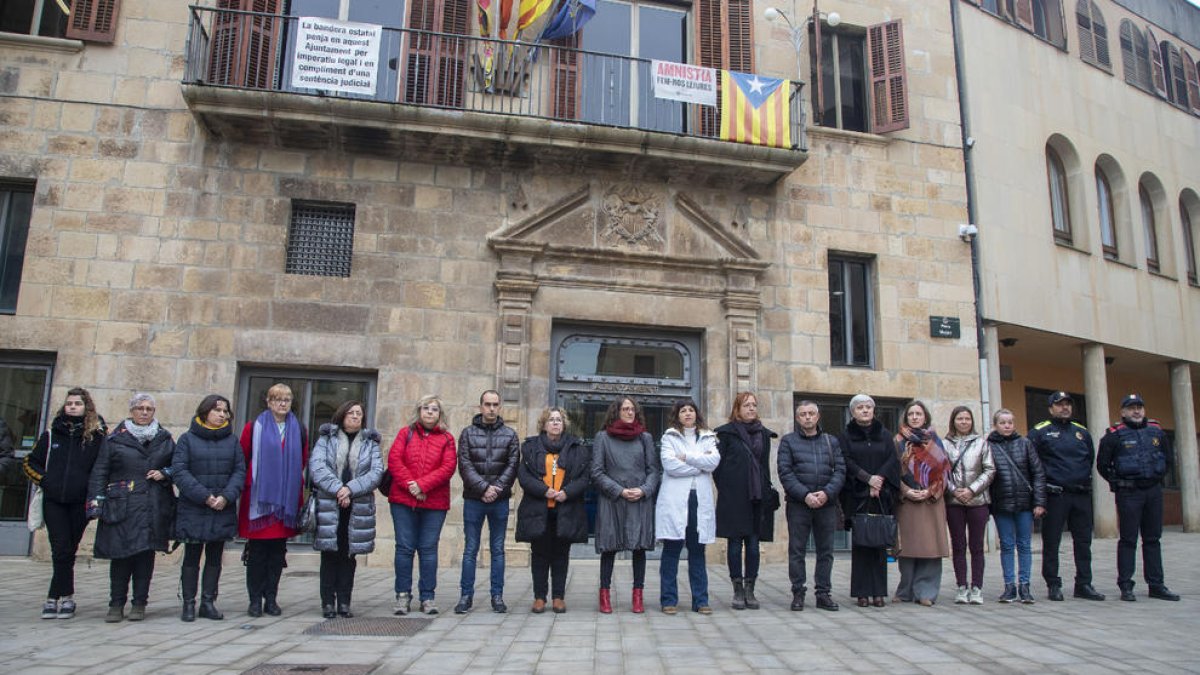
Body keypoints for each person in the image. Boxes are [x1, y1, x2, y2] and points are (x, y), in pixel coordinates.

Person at [88, 393, 176, 623]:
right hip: (122, 505)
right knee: (121, 556)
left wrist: (165, 474)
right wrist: (96, 504)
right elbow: (100, 471)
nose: (144, 412)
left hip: (152, 505)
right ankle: (116, 603)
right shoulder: (115, 439)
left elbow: (178, 466)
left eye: (149, 409)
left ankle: (139, 603)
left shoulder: (164, 438)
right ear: (132, 411)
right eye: (140, 408)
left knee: (145, 558)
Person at [24, 388, 106, 620]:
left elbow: (101, 468)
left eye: (77, 403)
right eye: (69, 403)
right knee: (60, 547)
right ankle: (60, 597)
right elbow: (31, 462)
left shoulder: (96, 438)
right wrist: (46, 480)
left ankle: (59, 597)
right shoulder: (51, 435)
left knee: (69, 549)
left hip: (80, 502)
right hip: (54, 501)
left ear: (86, 408)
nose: (72, 407)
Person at [1097, 394, 1180, 602]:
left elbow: (1168, 460)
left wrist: (1156, 477)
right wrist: (1118, 484)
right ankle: (1126, 585)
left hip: (1152, 491)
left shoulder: (1156, 432)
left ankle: (1156, 584)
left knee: (1153, 539)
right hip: (1129, 493)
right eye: (1132, 408)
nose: (1136, 411)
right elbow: (1102, 465)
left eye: (1140, 408)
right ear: (1123, 412)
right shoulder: (1114, 435)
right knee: (1128, 540)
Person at [172, 394, 246, 622]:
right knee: (192, 557)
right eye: (217, 410)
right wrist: (205, 496)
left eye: (225, 411)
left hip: (221, 507)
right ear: (205, 412)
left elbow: (239, 471)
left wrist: (226, 496)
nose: (222, 414)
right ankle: (188, 603)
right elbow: (180, 471)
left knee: (215, 557)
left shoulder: (232, 441)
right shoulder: (187, 439)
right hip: (195, 507)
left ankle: (208, 601)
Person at [239, 383, 309, 617]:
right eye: (277, 399)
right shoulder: (254, 427)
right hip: (261, 501)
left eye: (287, 399)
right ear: (268, 402)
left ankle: (271, 598)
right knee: (257, 552)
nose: (282, 403)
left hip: (285, 501)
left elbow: (303, 460)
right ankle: (254, 599)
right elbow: (244, 457)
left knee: (278, 553)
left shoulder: (298, 428)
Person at [309, 400, 384, 618]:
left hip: (356, 505)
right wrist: (338, 489)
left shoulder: (370, 443)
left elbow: (375, 472)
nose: (354, 417)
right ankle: (327, 602)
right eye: (350, 413)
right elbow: (317, 467)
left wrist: (350, 489)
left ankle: (344, 602)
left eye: (359, 413)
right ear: (342, 415)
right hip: (329, 504)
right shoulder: (326, 439)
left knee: (348, 555)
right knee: (329, 554)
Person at [1029, 391, 1104, 601]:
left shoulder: (1081, 432)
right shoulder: (1040, 432)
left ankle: (1084, 584)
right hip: (1055, 495)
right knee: (1052, 543)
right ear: (1051, 408)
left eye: (1068, 404)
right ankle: (1053, 584)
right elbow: (1032, 465)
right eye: (1060, 404)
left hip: (1080, 495)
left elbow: (1090, 459)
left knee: (1083, 542)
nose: (1065, 408)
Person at [515, 407, 590, 613]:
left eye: (558, 420)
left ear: (564, 424)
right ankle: (540, 597)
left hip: (565, 510)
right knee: (539, 555)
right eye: (551, 420)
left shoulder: (577, 448)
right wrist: (545, 491)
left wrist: (566, 492)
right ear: (544, 424)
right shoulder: (530, 448)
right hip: (539, 509)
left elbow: (584, 478)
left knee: (560, 555)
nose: (555, 423)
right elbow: (524, 477)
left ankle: (558, 597)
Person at [388, 394, 457, 616]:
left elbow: (448, 468)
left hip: (434, 503)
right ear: (419, 411)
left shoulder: (447, 439)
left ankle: (427, 596)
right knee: (404, 548)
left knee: (428, 549)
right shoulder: (404, 434)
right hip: (403, 500)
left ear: (440, 414)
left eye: (434, 409)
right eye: (426, 408)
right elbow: (394, 461)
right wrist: (412, 486)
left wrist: (422, 486)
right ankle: (402, 596)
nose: (429, 412)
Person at [591, 396, 660, 614]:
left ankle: (637, 596)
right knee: (609, 549)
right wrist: (618, 490)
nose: (630, 412)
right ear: (616, 412)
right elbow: (596, 472)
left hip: (639, 500)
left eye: (633, 409)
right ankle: (604, 595)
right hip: (612, 500)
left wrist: (644, 490)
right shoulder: (602, 437)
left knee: (639, 548)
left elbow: (653, 471)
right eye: (625, 409)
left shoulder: (645, 438)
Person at [454, 390, 519, 615]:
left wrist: (496, 488)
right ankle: (465, 596)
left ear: (499, 407)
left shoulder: (510, 435)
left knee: (498, 549)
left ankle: (497, 596)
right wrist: (483, 488)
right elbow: (464, 464)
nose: (491, 408)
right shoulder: (467, 434)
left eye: (495, 404)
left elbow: (512, 465)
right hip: (474, 499)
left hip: (499, 501)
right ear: (480, 406)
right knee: (471, 548)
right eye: (487, 404)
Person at [713, 391, 778, 611]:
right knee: (733, 545)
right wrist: (728, 489)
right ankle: (737, 589)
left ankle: (750, 589)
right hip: (734, 497)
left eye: (754, 405)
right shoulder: (727, 434)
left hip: (756, 497)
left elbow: (764, 466)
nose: (751, 408)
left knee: (752, 545)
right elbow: (717, 468)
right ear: (737, 409)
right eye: (746, 405)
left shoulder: (763, 434)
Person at [778, 400, 845, 612]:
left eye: (811, 413)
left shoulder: (831, 441)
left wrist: (826, 493)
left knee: (825, 551)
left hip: (826, 504)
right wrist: (805, 495)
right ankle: (798, 592)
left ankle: (823, 593)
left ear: (818, 417)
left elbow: (840, 471)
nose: (807, 417)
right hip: (799, 504)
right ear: (797, 418)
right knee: (797, 550)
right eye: (803, 414)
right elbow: (785, 472)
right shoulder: (788, 442)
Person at [656, 399, 719, 615]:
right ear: (677, 415)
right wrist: (699, 466)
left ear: (696, 413)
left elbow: (714, 462)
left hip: (698, 501)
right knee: (672, 550)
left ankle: (701, 601)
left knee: (697, 551)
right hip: (676, 501)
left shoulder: (708, 437)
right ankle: (668, 600)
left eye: (691, 410)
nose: (688, 413)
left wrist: (688, 458)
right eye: (683, 410)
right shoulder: (669, 437)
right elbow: (670, 466)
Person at [839, 394, 900, 608]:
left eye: (868, 407)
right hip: (857, 495)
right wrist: (867, 479)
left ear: (874, 411)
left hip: (880, 495)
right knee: (861, 545)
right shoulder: (845, 436)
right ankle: (862, 592)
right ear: (853, 412)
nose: (865, 411)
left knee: (878, 545)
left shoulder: (884, 434)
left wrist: (879, 481)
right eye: (860, 408)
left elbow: (892, 459)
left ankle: (878, 592)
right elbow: (846, 461)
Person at [893, 400, 950, 606]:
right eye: (911, 414)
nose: (915, 417)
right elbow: (892, 471)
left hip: (931, 501)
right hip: (907, 501)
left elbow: (945, 471)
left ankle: (926, 592)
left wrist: (930, 491)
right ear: (906, 418)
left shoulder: (936, 441)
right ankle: (905, 590)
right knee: (907, 548)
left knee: (930, 548)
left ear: (925, 417)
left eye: (918, 414)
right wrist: (906, 491)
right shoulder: (898, 441)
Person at [988, 408, 1046, 603]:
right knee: (1006, 545)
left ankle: (1025, 585)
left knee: (1024, 545)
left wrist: (1039, 501)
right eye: (1003, 422)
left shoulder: (1025, 444)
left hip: (1024, 503)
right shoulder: (988, 446)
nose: (1007, 426)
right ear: (995, 425)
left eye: (1010, 422)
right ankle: (1009, 586)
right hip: (1001, 503)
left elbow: (1037, 473)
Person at [942, 406, 995, 605]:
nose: (964, 422)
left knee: (977, 546)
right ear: (953, 421)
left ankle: (977, 587)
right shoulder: (945, 444)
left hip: (978, 501)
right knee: (958, 545)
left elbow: (989, 470)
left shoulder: (981, 443)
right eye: (959, 419)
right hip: (954, 502)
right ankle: (961, 586)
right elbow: (941, 472)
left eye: (967, 419)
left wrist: (972, 489)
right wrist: (954, 490)